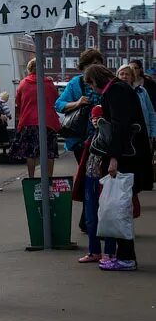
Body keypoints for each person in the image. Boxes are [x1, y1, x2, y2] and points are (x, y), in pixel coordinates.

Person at [77, 64, 151, 270]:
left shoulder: (115, 91)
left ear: (95, 80)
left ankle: (126, 257)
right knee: (121, 206)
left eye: (91, 84)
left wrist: (113, 158)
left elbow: (119, 126)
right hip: (132, 153)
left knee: (119, 207)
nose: (91, 89)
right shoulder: (120, 89)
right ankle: (124, 255)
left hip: (127, 156)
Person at [56, 49, 104, 234]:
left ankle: (90, 219)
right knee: (89, 178)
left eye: (98, 64)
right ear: (83, 68)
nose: (94, 68)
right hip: (81, 141)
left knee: (97, 180)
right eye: (91, 65)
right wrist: (77, 103)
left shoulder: (106, 83)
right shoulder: (76, 83)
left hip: (103, 140)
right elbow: (59, 104)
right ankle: (88, 220)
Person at [12, 58, 61, 179]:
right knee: (49, 153)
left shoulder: (23, 83)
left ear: (29, 69)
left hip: (29, 121)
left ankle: (31, 177)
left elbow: (18, 102)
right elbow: (56, 100)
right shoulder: (49, 83)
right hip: (47, 122)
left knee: (31, 153)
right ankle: (49, 178)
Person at [118, 63, 156, 143]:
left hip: (143, 133)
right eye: (122, 74)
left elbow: (151, 113)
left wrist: (153, 133)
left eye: (127, 74)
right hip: (123, 135)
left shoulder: (141, 91)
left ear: (132, 77)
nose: (124, 76)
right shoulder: (114, 93)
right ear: (118, 77)